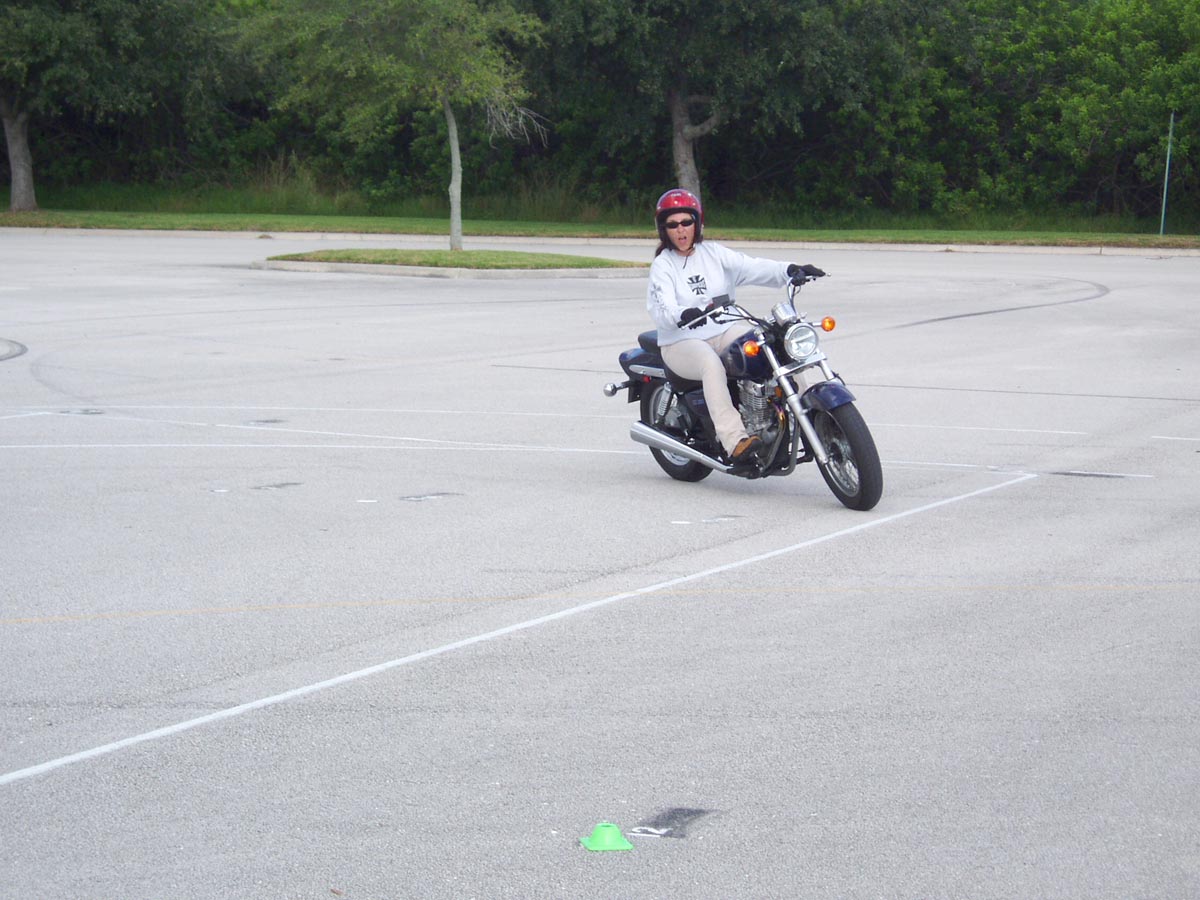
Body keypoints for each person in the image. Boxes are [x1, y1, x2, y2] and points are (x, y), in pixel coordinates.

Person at [646, 188, 824, 462]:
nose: (680, 230)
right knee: (711, 365)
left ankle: (810, 417)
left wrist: (789, 270)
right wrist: (682, 313)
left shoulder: (714, 254)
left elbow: (752, 267)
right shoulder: (663, 265)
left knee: (774, 348)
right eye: (673, 224)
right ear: (664, 229)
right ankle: (735, 440)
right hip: (681, 340)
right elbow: (663, 307)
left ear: (697, 223)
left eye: (686, 222)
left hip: (723, 329)